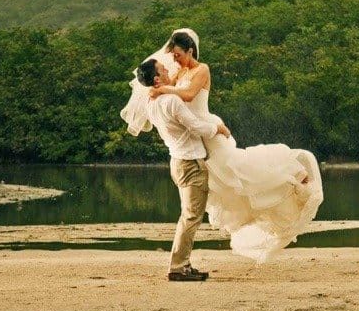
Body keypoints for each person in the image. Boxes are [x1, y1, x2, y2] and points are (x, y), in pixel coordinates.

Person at [122, 28, 324, 265]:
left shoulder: (201, 69)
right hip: (196, 138)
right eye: (173, 56)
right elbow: (170, 95)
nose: (174, 60)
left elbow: (188, 95)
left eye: (178, 55)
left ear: (190, 51)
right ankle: (242, 222)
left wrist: (164, 89)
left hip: (208, 129)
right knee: (225, 187)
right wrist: (160, 87)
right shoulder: (179, 73)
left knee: (239, 167)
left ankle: (292, 172)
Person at [135, 57, 230, 281]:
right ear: (157, 79)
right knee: (191, 216)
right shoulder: (171, 101)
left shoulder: (151, 101)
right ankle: (178, 267)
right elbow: (196, 127)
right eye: (163, 69)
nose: (168, 70)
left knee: (188, 215)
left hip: (178, 161)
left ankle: (183, 264)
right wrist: (218, 128)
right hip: (190, 163)